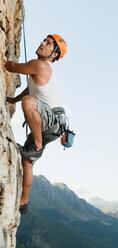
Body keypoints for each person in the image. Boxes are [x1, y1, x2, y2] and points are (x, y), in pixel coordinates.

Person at [5, 34, 67, 214]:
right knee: (28, 161)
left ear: (54, 54)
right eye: (44, 40)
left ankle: (37, 144)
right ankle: (23, 203)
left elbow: (12, 67)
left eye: (48, 44)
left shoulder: (40, 65)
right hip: (53, 125)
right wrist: (12, 100)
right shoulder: (39, 70)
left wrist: (3, 58)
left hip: (51, 120)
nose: (42, 43)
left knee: (28, 101)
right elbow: (30, 87)